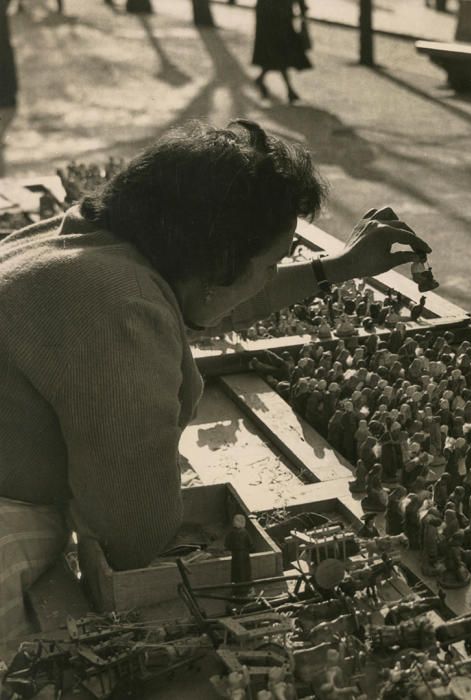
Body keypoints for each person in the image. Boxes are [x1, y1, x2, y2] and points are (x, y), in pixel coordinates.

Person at [0, 118, 431, 640]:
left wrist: (333, 269)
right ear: (219, 261)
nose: (271, 276)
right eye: (272, 262)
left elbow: (204, 303)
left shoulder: (93, 244)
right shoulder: (120, 308)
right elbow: (132, 528)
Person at [252, 0, 312, 104]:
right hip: (271, 16)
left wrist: (302, 8)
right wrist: (302, 9)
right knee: (280, 52)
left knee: (279, 52)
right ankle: (289, 90)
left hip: (280, 16)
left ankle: (262, 78)